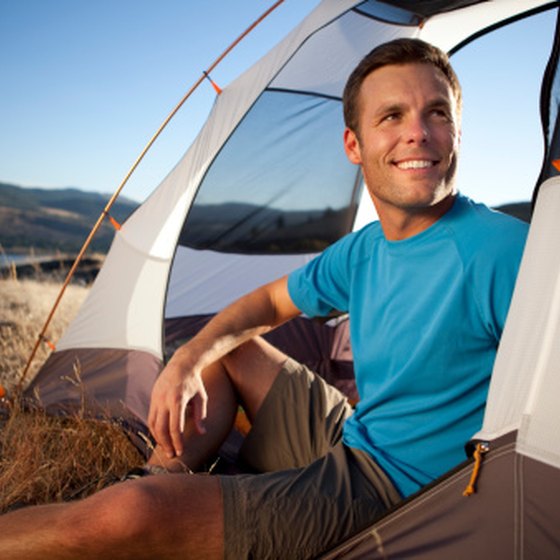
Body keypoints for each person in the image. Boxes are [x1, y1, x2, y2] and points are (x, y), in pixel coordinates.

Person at [0, 38, 528, 559]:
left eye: (436, 113)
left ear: (457, 132)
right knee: (223, 345)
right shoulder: (365, 248)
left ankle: (141, 504)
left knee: (129, 515)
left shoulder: (503, 251)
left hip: (399, 494)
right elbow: (269, 304)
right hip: (354, 434)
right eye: (391, 116)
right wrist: (187, 360)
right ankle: (158, 472)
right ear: (353, 146)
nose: (416, 132)